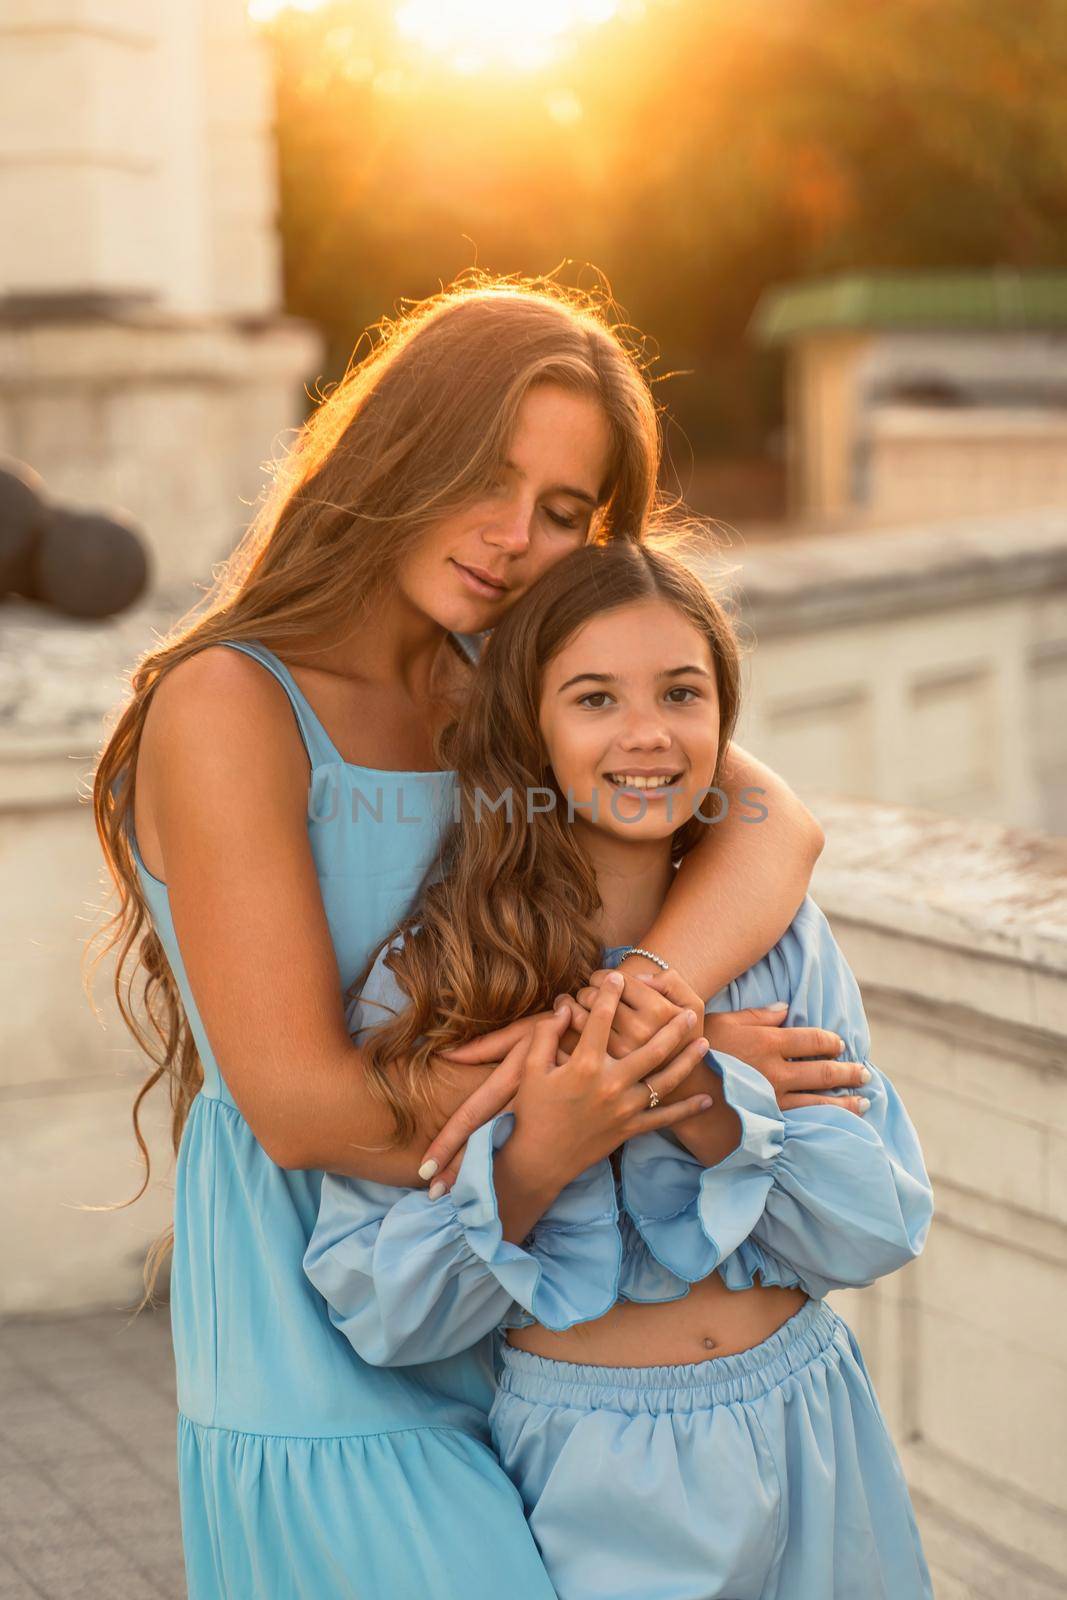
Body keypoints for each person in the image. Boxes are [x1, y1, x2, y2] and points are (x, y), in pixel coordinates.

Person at [90, 276, 855, 1599]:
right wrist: (643, 1079)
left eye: (564, 513)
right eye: (481, 478)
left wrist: (648, 1013)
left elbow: (770, 820)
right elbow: (301, 1108)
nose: (511, 538)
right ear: (397, 451)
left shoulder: (498, 692)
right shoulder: (230, 703)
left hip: (523, 1295)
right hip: (315, 1338)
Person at [304, 538, 935, 1599]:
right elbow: (382, 1309)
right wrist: (538, 1153)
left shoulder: (781, 943)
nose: (646, 734)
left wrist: (698, 1096)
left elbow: (876, 1226)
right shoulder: (437, 975)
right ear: (529, 729)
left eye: (681, 692)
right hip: (597, 1466)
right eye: (593, 698)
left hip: (813, 1419)